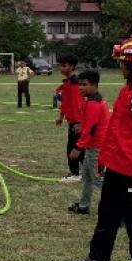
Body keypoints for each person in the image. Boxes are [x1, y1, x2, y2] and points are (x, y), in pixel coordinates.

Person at [70, 38, 132, 261]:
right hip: (115, 167)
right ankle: (98, 258)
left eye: (123, 63)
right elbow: (114, 129)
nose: (120, 67)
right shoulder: (126, 92)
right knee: (107, 214)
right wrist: (104, 157)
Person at [67, 70, 110, 215]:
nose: (80, 88)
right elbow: (91, 122)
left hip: (96, 148)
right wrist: (81, 123)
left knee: (98, 180)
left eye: (84, 85)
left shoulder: (94, 103)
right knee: (86, 177)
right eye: (79, 84)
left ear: (94, 85)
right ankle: (84, 205)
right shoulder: (93, 100)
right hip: (92, 147)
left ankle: (119, 209)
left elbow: (91, 129)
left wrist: (78, 147)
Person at [55, 54, 84, 182]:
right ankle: (87, 172)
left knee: (73, 148)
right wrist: (61, 116)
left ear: (71, 67)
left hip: (76, 122)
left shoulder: (74, 83)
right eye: (60, 65)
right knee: (80, 148)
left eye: (64, 65)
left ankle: (75, 174)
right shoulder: (67, 83)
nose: (61, 68)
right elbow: (65, 103)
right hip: (71, 121)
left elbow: (78, 104)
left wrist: (79, 122)